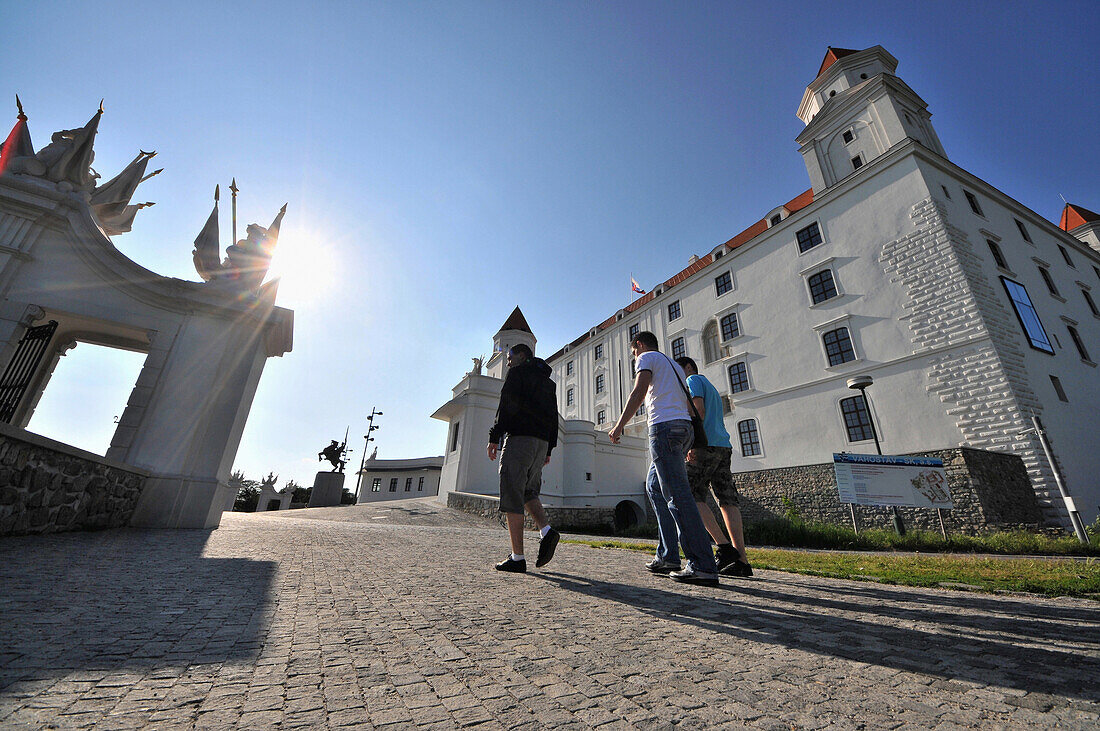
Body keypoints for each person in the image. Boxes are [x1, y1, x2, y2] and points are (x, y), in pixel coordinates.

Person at [609, 332, 719, 586]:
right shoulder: (673, 366)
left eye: (633, 351)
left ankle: (702, 564)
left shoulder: (646, 357)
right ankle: (669, 555)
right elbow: (690, 408)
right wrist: (689, 440)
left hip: (665, 428)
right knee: (655, 487)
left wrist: (619, 426)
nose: (634, 356)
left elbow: (638, 392)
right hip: (682, 429)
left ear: (638, 344)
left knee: (678, 495)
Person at [675, 357, 753, 577]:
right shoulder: (711, 386)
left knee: (689, 494)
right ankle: (742, 561)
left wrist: (690, 442)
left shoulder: (692, 380)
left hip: (704, 445)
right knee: (727, 500)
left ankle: (724, 547)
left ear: (688, 367)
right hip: (723, 446)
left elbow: (697, 411)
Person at [487, 343, 560, 573]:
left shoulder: (517, 373)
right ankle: (547, 531)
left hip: (519, 439)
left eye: (509, 357)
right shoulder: (548, 383)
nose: (507, 362)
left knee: (511, 491)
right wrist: (549, 449)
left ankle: (517, 557)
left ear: (521, 355)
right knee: (529, 491)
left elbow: (506, 404)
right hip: (540, 443)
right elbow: (553, 417)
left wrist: (494, 436)